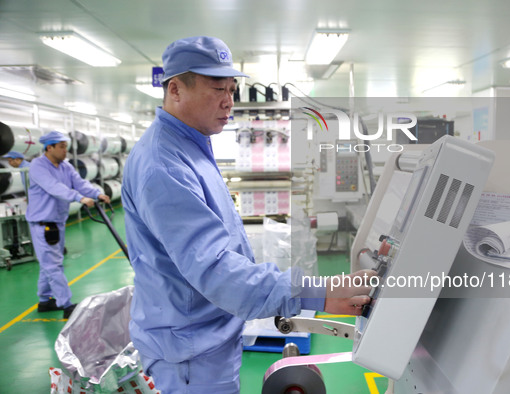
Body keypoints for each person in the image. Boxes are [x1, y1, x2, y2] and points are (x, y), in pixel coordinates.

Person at [122, 36, 375, 393]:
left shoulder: (191, 146)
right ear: (175, 89)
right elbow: (215, 269)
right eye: (216, 89)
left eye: (231, 89)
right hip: (189, 355)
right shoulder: (164, 165)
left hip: (205, 335)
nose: (229, 101)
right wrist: (318, 292)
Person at [26, 131, 111, 319]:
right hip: (43, 223)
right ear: (49, 147)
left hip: (58, 221)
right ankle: (66, 305)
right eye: (62, 147)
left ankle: (45, 301)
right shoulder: (38, 166)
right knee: (53, 265)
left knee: (49, 264)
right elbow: (54, 187)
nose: (66, 151)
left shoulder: (66, 167)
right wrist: (79, 198)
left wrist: (97, 194)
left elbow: (79, 183)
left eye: (66, 146)